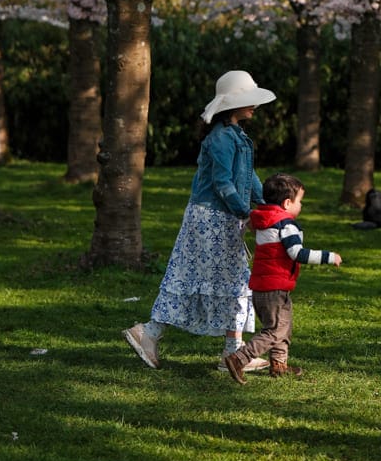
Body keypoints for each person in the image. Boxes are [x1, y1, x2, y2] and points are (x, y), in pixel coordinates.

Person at [122, 70, 276, 372]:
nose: (254, 105)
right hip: (210, 220)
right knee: (192, 277)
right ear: (233, 105)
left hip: (226, 220)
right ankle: (148, 333)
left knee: (233, 283)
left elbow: (247, 177)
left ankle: (233, 353)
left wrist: (269, 206)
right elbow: (222, 183)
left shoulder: (239, 137)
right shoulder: (220, 139)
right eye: (248, 100)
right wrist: (245, 211)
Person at [224, 172, 342, 384]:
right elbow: (297, 253)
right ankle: (238, 358)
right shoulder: (286, 225)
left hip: (262, 285)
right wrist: (328, 257)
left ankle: (279, 365)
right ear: (287, 203)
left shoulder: (264, 220)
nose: (301, 206)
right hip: (275, 286)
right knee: (274, 330)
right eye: (300, 201)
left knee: (282, 325)